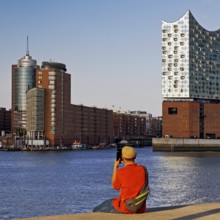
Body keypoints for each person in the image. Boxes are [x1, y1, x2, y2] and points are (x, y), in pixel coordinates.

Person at [93, 146, 148, 214]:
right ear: (135, 157)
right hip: (140, 208)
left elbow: (115, 187)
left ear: (122, 157)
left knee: (96, 210)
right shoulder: (143, 169)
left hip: (125, 207)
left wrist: (115, 166)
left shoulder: (121, 172)